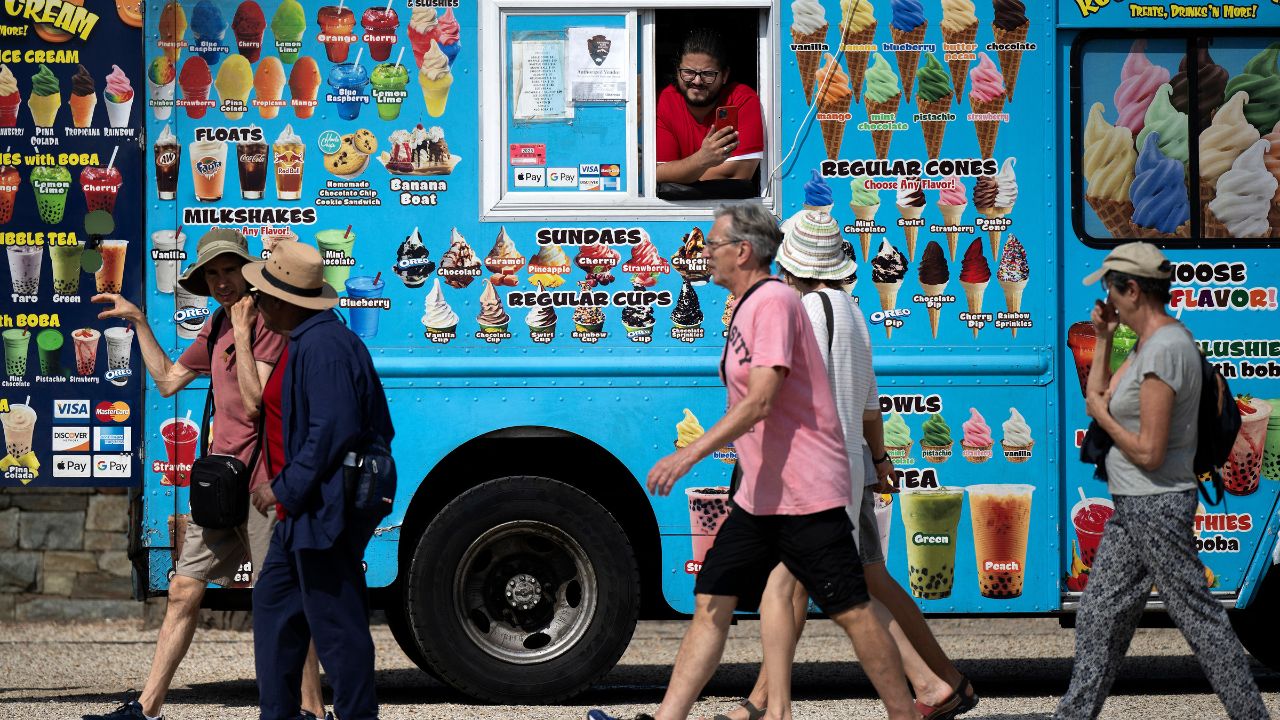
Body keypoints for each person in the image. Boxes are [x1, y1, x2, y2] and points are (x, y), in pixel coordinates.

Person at [589, 202, 918, 720]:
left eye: (713, 244)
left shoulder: (775, 303)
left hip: (806, 491)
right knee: (711, 601)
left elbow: (763, 397)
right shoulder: (747, 304)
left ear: (743, 251)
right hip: (762, 496)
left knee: (852, 610)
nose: (705, 253)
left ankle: (905, 714)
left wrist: (690, 453)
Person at [712, 211, 979, 720]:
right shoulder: (852, 308)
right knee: (857, 583)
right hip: (849, 461)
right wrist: (879, 459)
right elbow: (870, 401)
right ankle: (940, 683)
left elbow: (776, 390)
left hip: (813, 469)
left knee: (801, 587)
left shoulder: (805, 309)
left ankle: (768, 708)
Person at [83, 229, 326, 720]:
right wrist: (139, 322)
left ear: (246, 271)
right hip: (225, 487)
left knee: (284, 601)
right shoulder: (215, 324)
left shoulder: (270, 322)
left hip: (265, 487)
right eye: (211, 274)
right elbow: (170, 380)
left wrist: (241, 330)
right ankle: (147, 708)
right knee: (183, 589)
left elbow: (256, 404)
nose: (220, 282)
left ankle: (314, 711)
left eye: (228, 270)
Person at [1056, 242, 1268, 719]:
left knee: (1201, 621)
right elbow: (1101, 396)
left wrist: (1104, 422)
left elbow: (1149, 451)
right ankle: (1074, 714)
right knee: (1098, 614)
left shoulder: (1166, 351)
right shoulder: (1151, 344)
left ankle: (1252, 716)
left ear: (1133, 289)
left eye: (1111, 289)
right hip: (1133, 504)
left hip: (1157, 502)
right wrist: (1104, 336)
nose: (1107, 299)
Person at [244, 241, 394, 720]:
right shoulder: (309, 340)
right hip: (307, 506)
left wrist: (282, 488)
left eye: (263, 295)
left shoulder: (324, 347)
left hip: (326, 504)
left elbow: (332, 430)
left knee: (336, 622)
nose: (258, 303)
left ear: (285, 302)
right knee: (275, 608)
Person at [656, 29, 764, 200]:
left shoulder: (742, 98)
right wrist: (702, 159)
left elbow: (739, 173)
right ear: (677, 72)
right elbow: (658, 173)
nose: (697, 81)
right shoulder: (664, 100)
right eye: (688, 72)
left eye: (708, 74)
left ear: (724, 75)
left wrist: (680, 174)